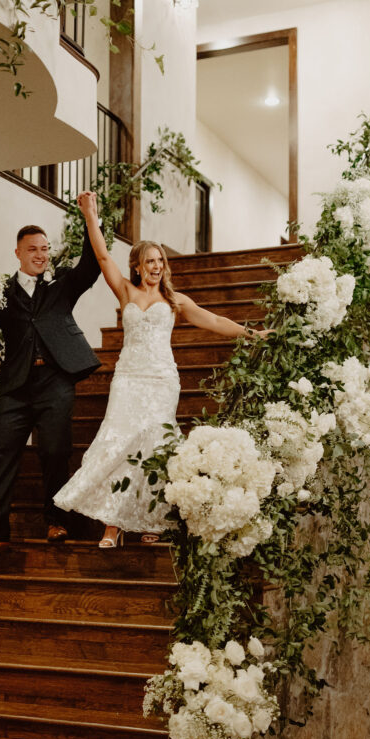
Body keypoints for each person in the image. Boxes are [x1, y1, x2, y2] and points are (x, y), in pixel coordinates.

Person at [54, 190, 269, 547]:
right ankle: (113, 523)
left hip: (161, 380)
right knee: (119, 442)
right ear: (137, 266)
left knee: (156, 448)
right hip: (128, 378)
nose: (156, 266)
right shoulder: (125, 291)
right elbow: (103, 254)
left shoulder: (174, 300)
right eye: (150, 261)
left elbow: (213, 320)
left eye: (161, 261)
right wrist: (91, 215)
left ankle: (152, 520)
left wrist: (251, 334)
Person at [0, 220, 101, 564]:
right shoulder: (0, 292)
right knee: (2, 458)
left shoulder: (62, 283)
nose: (40, 255)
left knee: (54, 451)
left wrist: (89, 218)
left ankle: (56, 521)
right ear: (18, 253)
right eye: (32, 250)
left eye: (44, 249)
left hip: (56, 380)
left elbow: (91, 264)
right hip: (16, 386)